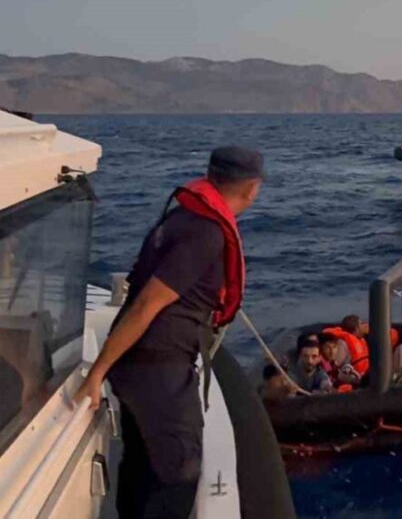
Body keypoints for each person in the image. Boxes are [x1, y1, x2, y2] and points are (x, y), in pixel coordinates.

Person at [72, 146, 263, 519]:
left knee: (143, 465)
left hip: (144, 364)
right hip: (158, 367)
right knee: (179, 472)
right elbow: (146, 305)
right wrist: (97, 373)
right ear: (252, 188)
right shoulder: (206, 233)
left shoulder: (182, 217)